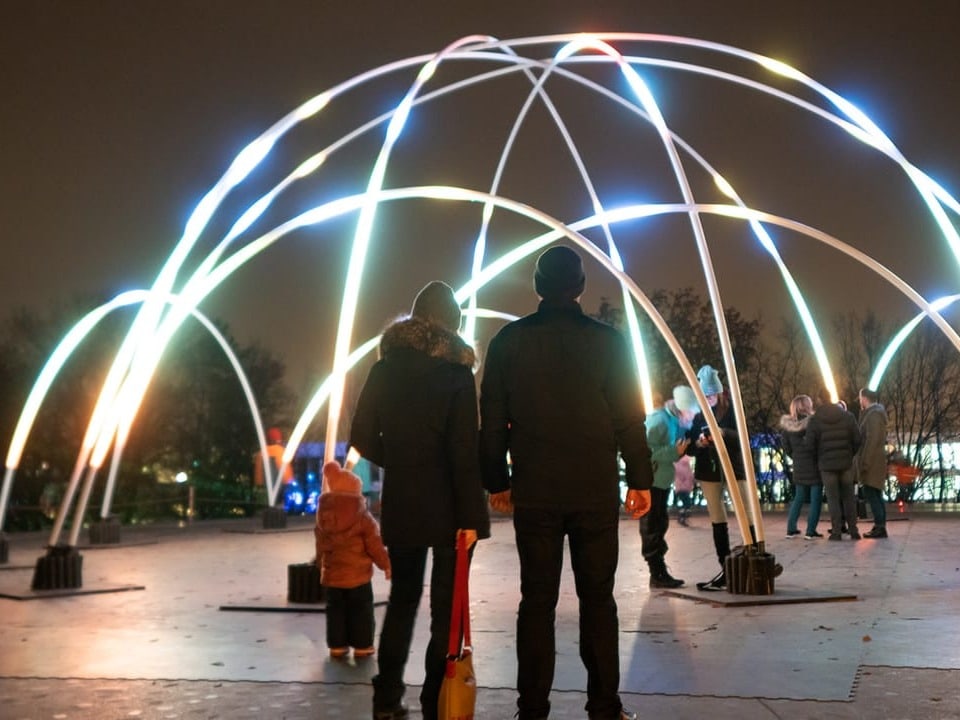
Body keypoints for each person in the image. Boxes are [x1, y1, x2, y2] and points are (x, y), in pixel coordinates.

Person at [479, 244, 654, 720]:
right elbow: (628, 417)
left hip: (535, 489)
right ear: (579, 288)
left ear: (537, 287)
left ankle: (532, 707)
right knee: (598, 598)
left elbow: (492, 421)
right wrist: (639, 478)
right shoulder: (609, 342)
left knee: (536, 599)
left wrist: (496, 478)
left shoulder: (507, 343)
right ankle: (604, 704)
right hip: (593, 488)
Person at [349, 280, 491, 720]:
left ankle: (386, 698)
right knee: (444, 611)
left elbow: (360, 437)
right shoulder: (456, 375)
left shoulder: (384, 369)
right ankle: (435, 702)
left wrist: (401, 460)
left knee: (403, 601)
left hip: (404, 499)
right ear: (452, 325)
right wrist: (473, 518)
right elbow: (464, 452)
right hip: (449, 505)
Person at [685, 364, 756, 591]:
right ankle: (726, 566)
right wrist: (699, 443)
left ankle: (753, 558)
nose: (709, 398)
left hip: (734, 468)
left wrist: (723, 434)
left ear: (720, 392)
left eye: (712, 394)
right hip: (709, 470)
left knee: (746, 511)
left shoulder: (732, 411)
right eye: (705, 395)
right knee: (718, 516)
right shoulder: (697, 416)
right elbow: (689, 447)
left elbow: (744, 438)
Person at [314, 460, 391, 659]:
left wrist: (319, 565)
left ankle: (337, 646)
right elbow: (374, 546)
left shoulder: (323, 517)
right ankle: (363, 645)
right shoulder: (363, 517)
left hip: (333, 576)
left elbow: (321, 546)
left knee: (336, 612)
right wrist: (386, 565)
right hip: (358, 576)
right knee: (361, 611)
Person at [642, 385, 699, 587]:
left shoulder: (673, 421)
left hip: (662, 479)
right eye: (691, 412)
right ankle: (656, 572)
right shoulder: (659, 420)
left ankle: (658, 570)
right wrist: (674, 451)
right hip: (652, 481)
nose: (692, 417)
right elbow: (645, 449)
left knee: (659, 522)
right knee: (652, 525)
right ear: (682, 409)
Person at [806, 390, 861, 541]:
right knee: (849, 497)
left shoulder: (815, 419)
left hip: (827, 465)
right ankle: (854, 530)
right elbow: (857, 439)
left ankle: (836, 531)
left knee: (833, 499)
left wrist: (819, 456)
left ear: (819, 400)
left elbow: (809, 444)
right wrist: (849, 454)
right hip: (845, 463)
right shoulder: (847, 416)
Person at [779, 394, 823, 539]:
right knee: (815, 499)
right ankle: (810, 531)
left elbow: (786, 447)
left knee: (798, 497)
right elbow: (819, 443)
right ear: (807, 406)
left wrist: (796, 456)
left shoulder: (788, 427)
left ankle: (791, 529)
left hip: (798, 465)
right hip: (814, 464)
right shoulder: (814, 422)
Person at [856, 387, 890, 539]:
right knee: (876, 493)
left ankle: (879, 526)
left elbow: (871, 440)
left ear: (864, 398)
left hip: (872, 461)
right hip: (875, 460)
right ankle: (880, 526)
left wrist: (865, 463)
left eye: (860, 398)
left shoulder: (873, 415)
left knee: (872, 492)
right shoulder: (875, 414)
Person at [673, 455, 695, 526]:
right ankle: (682, 516)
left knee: (687, 503)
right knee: (687, 503)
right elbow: (688, 477)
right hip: (682, 488)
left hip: (683, 488)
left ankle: (682, 516)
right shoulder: (683, 467)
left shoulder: (685, 467)